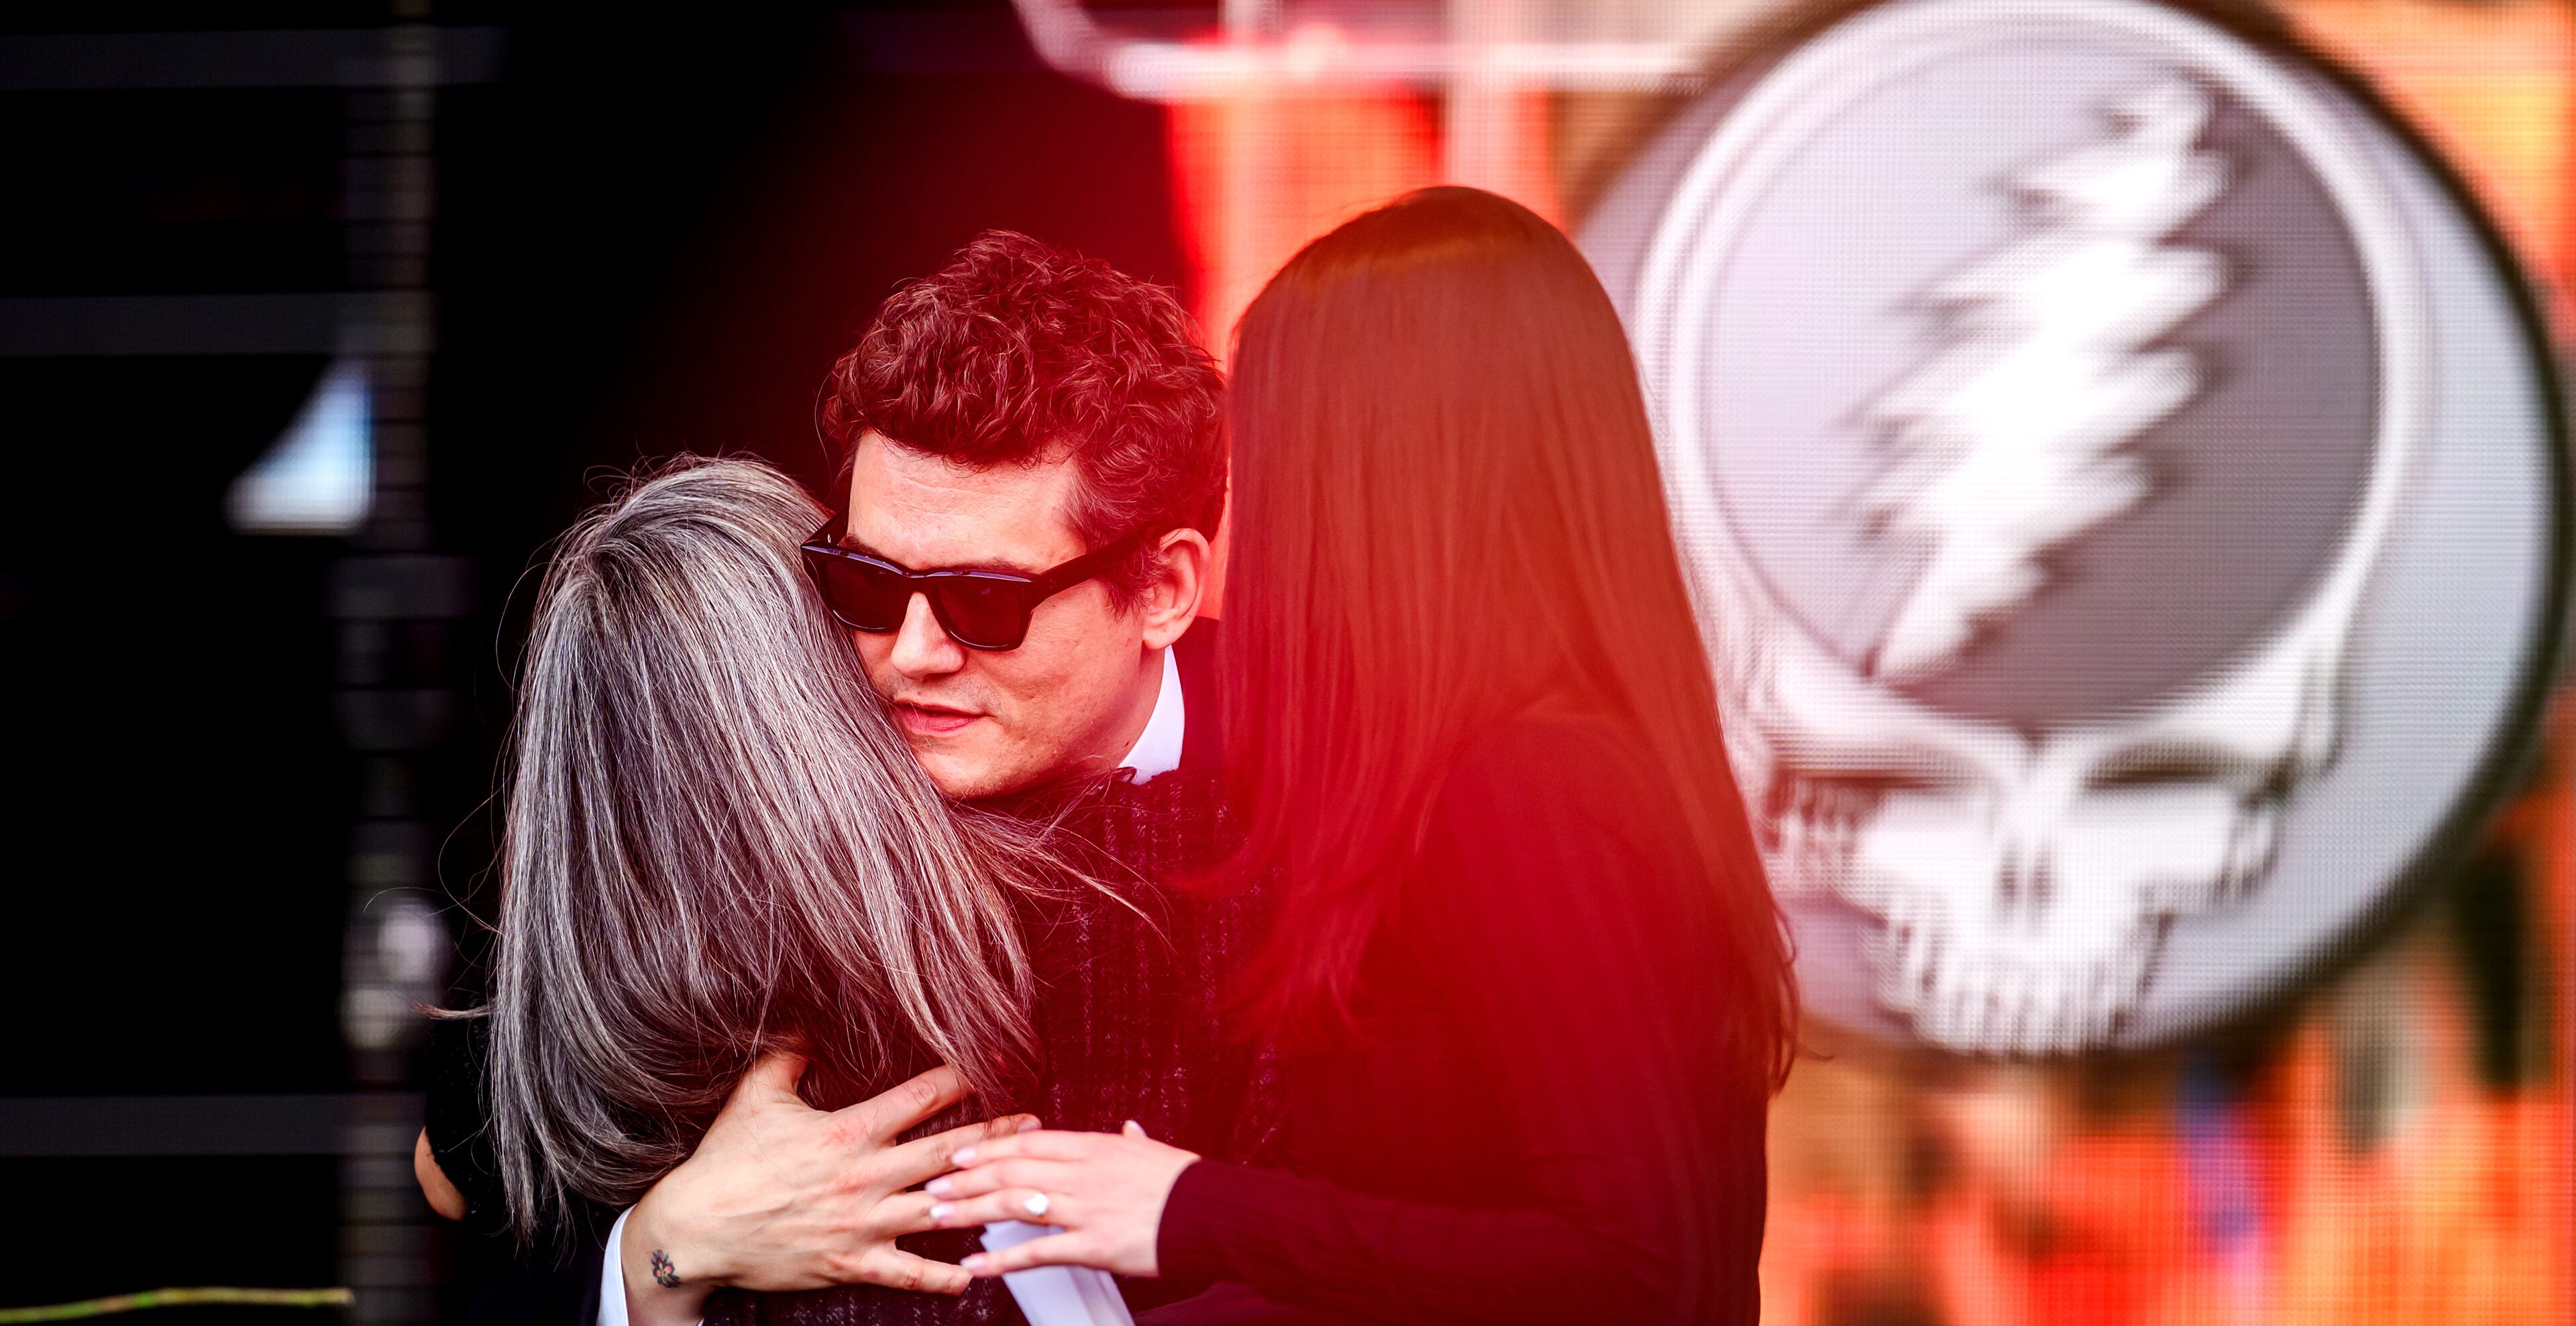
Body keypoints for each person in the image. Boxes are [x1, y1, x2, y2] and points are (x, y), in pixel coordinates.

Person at [917, 187, 1798, 1324]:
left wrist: (1190, 1208)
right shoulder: (1504, 767)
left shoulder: (1531, 791)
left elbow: (1643, 1276)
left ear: (1375, 471)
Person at [420, 233, 1269, 1326]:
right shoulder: (789, 792)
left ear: (1163, 587)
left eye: (985, 602)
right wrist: (669, 1250)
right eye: (866, 580)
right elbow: (466, 1163)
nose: (910, 654)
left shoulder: (1340, 771)